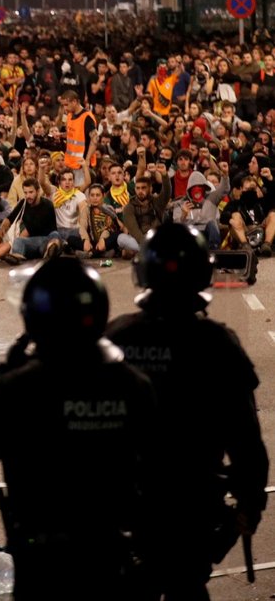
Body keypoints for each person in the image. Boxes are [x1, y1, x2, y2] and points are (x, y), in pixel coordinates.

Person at [0, 258, 158, 601]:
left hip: (42, 564)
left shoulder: (18, 387)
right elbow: (160, 468)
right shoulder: (134, 384)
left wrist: (5, 372)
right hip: (111, 554)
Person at [106, 224, 269, 600]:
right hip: (193, 510)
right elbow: (247, 442)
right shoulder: (218, 344)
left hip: (125, 508)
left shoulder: (117, 336)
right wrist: (250, 505)